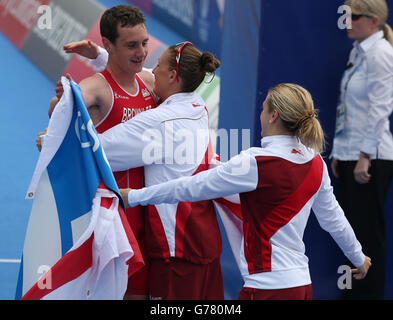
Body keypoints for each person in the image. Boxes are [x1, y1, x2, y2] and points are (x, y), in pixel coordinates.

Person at [120, 83, 372, 300]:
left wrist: (136, 196)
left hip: (266, 289)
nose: (260, 115)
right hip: (301, 286)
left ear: (274, 115)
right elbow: (334, 220)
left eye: (263, 109)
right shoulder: (315, 162)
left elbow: (191, 186)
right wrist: (358, 257)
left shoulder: (257, 162)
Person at [70, 41, 223, 300]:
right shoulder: (197, 104)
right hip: (205, 244)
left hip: (177, 253)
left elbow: (99, 150)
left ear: (174, 76)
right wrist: (101, 57)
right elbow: (144, 78)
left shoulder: (160, 123)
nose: (152, 72)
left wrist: (56, 140)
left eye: (159, 67)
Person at [39, 5, 157, 300]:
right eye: (131, 45)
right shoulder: (95, 89)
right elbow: (57, 122)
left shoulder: (151, 82)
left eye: (144, 43)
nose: (141, 52)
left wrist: (100, 54)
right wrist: (58, 112)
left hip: (147, 212)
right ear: (108, 44)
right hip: (110, 218)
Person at [330, 0, 393, 300]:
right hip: (350, 154)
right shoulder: (357, 53)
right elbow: (349, 110)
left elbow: (381, 109)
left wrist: (364, 157)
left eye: (352, 17)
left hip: (372, 158)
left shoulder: (381, 54)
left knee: (367, 238)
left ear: (372, 21)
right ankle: (353, 296)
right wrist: (339, 153)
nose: (347, 21)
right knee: (351, 237)